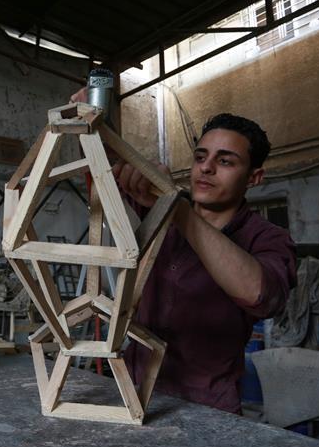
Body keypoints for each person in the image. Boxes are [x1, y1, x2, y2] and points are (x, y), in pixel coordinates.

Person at [71, 90, 296, 413]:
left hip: (207, 409)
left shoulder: (267, 237)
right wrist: (92, 121)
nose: (206, 168)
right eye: (200, 157)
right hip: (134, 394)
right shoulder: (162, 212)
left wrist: (175, 207)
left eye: (225, 161)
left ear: (254, 178)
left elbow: (260, 294)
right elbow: (105, 170)